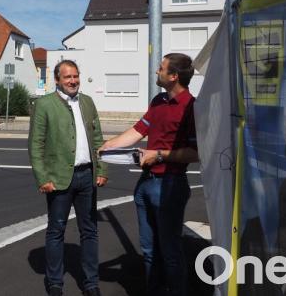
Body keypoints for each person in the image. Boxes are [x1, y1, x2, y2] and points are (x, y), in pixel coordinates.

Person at [98, 53, 199, 296]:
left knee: (170, 251)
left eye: (161, 68)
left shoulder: (192, 107)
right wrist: (107, 145)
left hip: (170, 185)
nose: (157, 72)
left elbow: (195, 153)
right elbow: (137, 130)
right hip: (146, 183)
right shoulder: (158, 101)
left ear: (173, 76)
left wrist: (160, 155)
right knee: (149, 249)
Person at [28, 60, 108, 296]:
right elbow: (36, 144)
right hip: (58, 178)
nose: (73, 81)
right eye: (67, 77)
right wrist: (42, 177)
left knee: (90, 231)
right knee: (56, 231)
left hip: (87, 176)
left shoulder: (87, 102)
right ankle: (55, 283)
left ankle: (91, 284)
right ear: (57, 80)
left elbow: (98, 139)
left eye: (75, 76)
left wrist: (101, 169)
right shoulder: (44, 104)